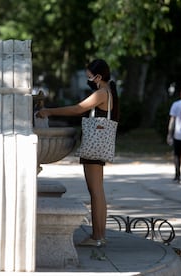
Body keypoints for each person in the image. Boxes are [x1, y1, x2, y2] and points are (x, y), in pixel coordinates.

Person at [36, 59, 119, 247]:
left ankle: (97, 237)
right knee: (97, 191)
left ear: (98, 76)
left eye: (89, 75)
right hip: (99, 145)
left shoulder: (101, 93)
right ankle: (99, 236)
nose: (88, 78)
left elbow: (77, 108)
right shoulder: (109, 92)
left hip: (94, 146)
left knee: (96, 191)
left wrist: (49, 111)